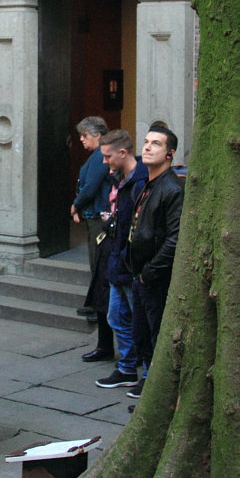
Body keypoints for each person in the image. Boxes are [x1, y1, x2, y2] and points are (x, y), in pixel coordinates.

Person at [127, 125, 184, 406]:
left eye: (156, 144)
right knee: (142, 335)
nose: (147, 147)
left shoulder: (172, 188)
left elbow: (175, 238)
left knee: (157, 336)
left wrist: (149, 273)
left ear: (170, 154)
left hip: (156, 279)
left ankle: (160, 399)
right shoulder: (147, 185)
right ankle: (150, 392)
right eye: (146, 142)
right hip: (140, 274)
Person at [94, 129, 148, 389]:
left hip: (132, 264)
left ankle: (147, 374)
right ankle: (127, 368)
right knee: (116, 317)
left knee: (141, 322)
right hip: (118, 261)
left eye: (108, 156)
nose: (105, 162)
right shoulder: (119, 179)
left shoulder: (141, 182)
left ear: (123, 153)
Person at [70, 116, 115, 359]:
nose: (81, 139)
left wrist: (76, 204)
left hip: (99, 217)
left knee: (98, 266)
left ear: (97, 135)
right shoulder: (97, 156)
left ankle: (97, 307)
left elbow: (91, 186)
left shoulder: (100, 157)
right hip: (94, 215)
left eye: (85, 135)